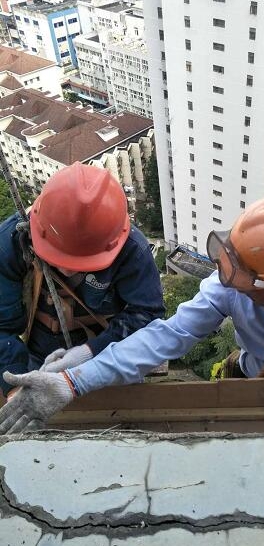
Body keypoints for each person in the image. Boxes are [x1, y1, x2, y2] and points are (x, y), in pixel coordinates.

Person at [0, 194, 264, 482]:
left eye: (241, 273)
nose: (227, 278)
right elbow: (166, 337)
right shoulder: (230, 286)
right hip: (255, 378)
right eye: (228, 259)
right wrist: (75, 380)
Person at [0, 162, 164, 398]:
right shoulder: (14, 242)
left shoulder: (130, 251)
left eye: (81, 262)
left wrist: (90, 352)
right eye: (59, 257)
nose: (67, 270)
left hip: (108, 356)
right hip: (38, 355)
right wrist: (15, 383)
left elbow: (146, 314)